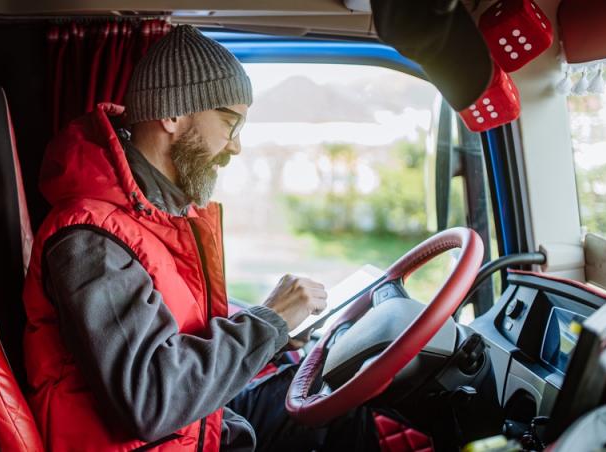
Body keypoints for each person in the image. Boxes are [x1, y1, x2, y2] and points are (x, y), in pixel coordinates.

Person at [23, 24, 377, 451]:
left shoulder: (156, 215)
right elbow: (153, 399)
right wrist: (268, 322)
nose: (236, 147)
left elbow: (176, 337)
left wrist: (277, 331)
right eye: (231, 123)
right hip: (159, 437)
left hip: (197, 428)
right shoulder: (92, 239)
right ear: (173, 115)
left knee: (338, 393)